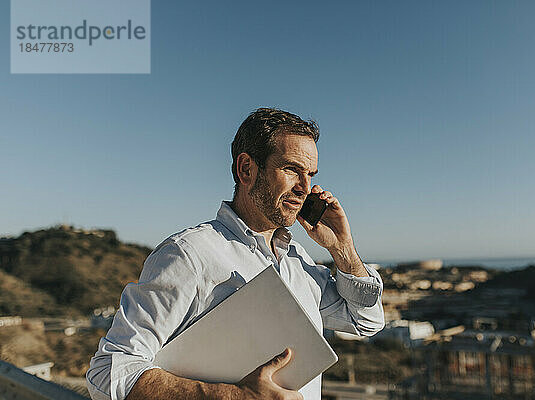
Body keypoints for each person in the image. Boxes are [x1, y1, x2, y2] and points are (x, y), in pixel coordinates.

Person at [86, 108, 385, 400]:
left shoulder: (298, 261)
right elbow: (109, 372)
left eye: (310, 174)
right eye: (292, 169)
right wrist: (233, 395)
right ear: (247, 169)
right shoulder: (189, 254)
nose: (305, 188)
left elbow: (365, 321)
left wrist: (341, 249)